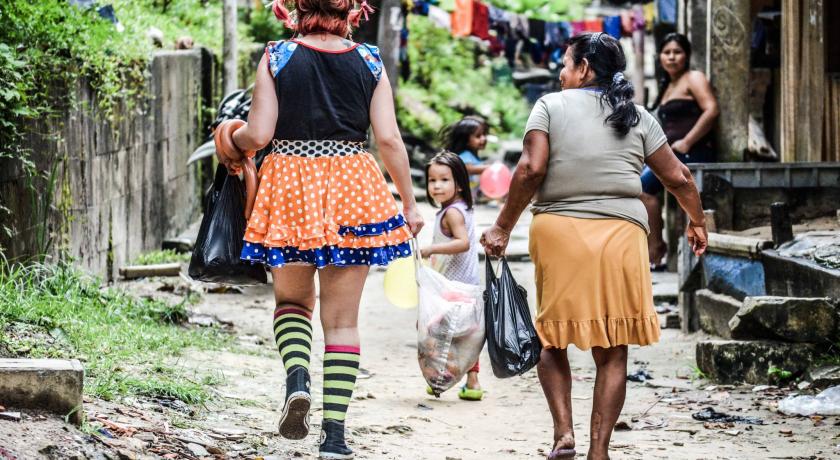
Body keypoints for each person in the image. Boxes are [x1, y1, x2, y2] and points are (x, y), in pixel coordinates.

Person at [480, 32, 708, 460]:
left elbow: (530, 169)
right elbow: (678, 177)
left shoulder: (550, 106)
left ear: (584, 68)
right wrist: (697, 222)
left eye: (566, 65)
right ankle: (598, 451)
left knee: (551, 340)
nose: (562, 74)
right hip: (621, 236)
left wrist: (502, 226)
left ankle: (563, 435)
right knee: (613, 349)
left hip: (559, 232)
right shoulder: (638, 115)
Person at [216, 1, 423, 458]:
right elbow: (388, 139)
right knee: (343, 321)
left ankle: (297, 378)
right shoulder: (370, 61)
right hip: (355, 183)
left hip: (288, 182)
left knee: (292, 302)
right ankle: (335, 437)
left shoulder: (278, 55)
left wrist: (231, 138)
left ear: (296, 9)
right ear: (351, 12)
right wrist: (408, 202)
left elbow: (260, 133)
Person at [642, 32, 719, 269]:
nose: (672, 57)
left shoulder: (693, 78)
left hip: (693, 152)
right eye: (667, 53)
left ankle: (655, 246)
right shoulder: (667, 86)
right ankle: (655, 243)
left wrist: (687, 141)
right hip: (673, 154)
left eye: (677, 52)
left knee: (643, 188)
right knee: (635, 184)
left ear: (686, 56)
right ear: (660, 57)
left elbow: (712, 110)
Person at [419, 151, 483, 401]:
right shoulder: (460, 208)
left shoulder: (452, 213)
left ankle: (440, 376)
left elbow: (463, 243)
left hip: (455, 286)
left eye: (444, 180)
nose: (436, 186)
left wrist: (431, 249)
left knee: (433, 329)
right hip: (466, 284)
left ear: (459, 183)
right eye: (432, 180)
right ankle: (473, 382)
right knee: (466, 336)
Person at [441, 116, 490, 198]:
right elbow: (468, 169)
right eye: (478, 136)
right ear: (466, 140)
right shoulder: (465, 155)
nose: (483, 138)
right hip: (458, 198)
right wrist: (490, 168)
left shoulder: (474, 157)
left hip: (469, 198)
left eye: (484, 134)